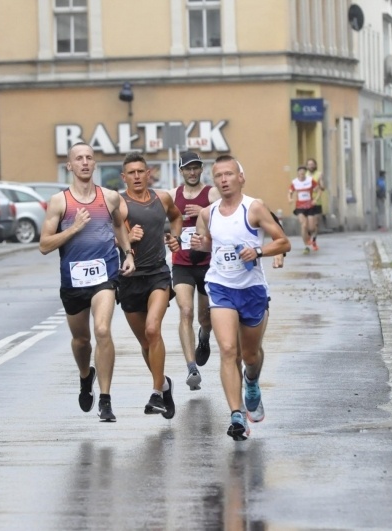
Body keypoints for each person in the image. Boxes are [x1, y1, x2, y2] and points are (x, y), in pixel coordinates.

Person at [190, 155, 291, 441]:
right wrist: (202, 244)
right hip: (220, 286)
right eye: (218, 175)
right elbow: (209, 244)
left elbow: (283, 241)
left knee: (250, 355)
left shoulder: (254, 208)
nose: (223, 180)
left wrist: (259, 252)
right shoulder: (207, 214)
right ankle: (236, 416)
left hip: (252, 290)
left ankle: (252, 381)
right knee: (227, 349)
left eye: (228, 174)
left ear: (240, 177)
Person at [39, 142, 135, 423]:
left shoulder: (109, 198)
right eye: (78, 159)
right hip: (73, 281)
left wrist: (127, 253)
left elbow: (119, 225)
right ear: (70, 165)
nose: (84, 162)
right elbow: (44, 245)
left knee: (102, 329)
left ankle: (105, 399)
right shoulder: (60, 202)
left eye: (89, 158)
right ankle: (85, 375)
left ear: (95, 164)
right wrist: (75, 228)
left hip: (105, 274)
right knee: (82, 341)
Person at [119, 151, 183, 419]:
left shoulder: (162, 198)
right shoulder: (119, 204)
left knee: (153, 329)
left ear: (148, 174)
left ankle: (156, 393)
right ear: (124, 178)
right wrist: (127, 238)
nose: (136, 176)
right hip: (129, 278)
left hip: (158, 274)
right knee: (146, 343)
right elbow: (112, 233)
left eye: (140, 171)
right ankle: (164, 384)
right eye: (131, 173)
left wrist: (175, 238)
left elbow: (177, 217)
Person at [169, 151, 220, 391]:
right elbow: (160, 222)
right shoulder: (172, 196)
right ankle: (191, 367)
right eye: (188, 168)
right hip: (181, 263)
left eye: (196, 168)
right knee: (186, 311)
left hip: (208, 263)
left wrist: (203, 212)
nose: (192, 172)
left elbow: (225, 217)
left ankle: (204, 336)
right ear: (181, 171)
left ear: (201, 170)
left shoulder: (211, 194)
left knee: (205, 317)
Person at [288, 166, 318, 254]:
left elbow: (318, 190)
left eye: (303, 172)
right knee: (304, 224)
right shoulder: (295, 182)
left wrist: (315, 199)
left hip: (310, 206)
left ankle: (309, 236)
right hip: (300, 207)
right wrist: (289, 199)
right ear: (298, 173)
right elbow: (289, 192)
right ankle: (306, 245)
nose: (302, 174)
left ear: (305, 173)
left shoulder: (310, 180)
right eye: (300, 172)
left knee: (312, 228)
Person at [305, 158, 325, 249]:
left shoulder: (319, 174)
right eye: (309, 164)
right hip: (307, 202)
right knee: (309, 225)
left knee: (316, 223)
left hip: (317, 201)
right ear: (307, 166)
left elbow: (323, 187)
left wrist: (320, 185)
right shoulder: (305, 175)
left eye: (312, 164)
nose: (311, 166)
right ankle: (308, 236)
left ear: (315, 165)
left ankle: (314, 241)